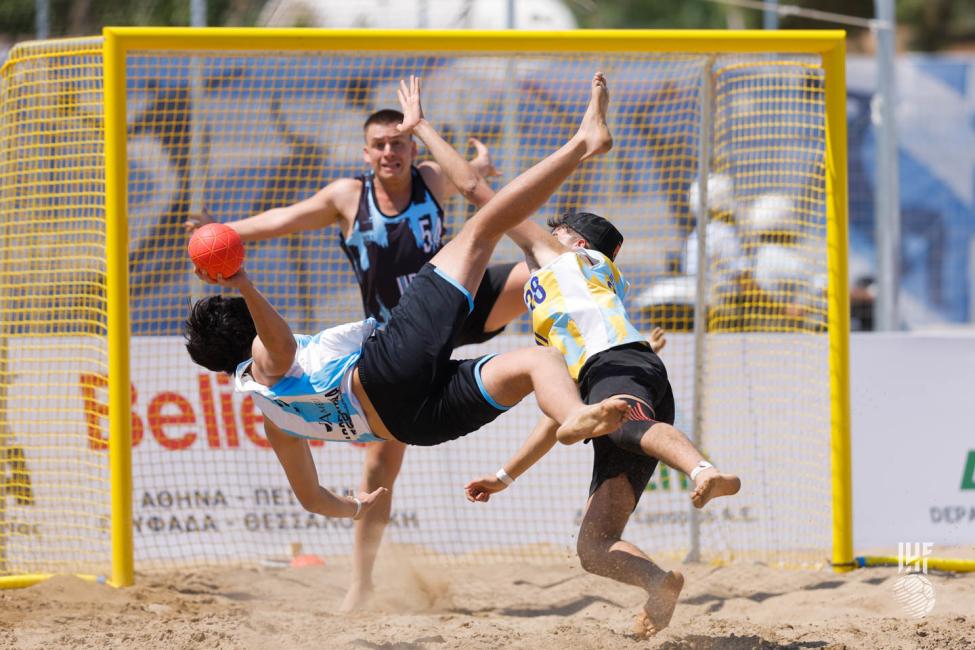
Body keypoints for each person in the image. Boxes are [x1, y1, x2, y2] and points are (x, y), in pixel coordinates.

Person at [184, 72, 630, 589]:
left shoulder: (431, 178)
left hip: (444, 320)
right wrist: (226, 237)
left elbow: (466, 181)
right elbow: (285, 218)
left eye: (399, 142)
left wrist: (477, 169)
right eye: (381, 144)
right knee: (379, 471)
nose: (391, 152)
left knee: (541, 266)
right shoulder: (348, 197)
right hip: (396, 336)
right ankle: (362, 581)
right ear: (366, 151)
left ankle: (599, 326)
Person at [463, 210, 741, 638]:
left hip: (616, 367)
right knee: (594, 546)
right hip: (607, 383)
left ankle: (705, 472)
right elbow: (557, 418)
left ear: (576, 245)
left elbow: (505, 209)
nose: (545, 240)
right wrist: (504, 477)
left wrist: (473, 177)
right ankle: (658, 583)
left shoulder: (569, 264)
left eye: (555, 235)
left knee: (626, 425)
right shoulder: (572, 298)